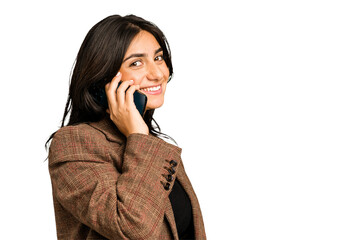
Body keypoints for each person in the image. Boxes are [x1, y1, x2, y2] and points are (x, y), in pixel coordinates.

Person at [47, 14, 206, 240]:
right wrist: (138, 135)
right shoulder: (74, 144)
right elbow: (133, 228)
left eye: (159, 58)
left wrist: (140, 136)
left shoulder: (155, 147)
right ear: (104, 79)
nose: (158, 73)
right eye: (136, 63)